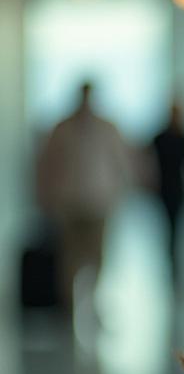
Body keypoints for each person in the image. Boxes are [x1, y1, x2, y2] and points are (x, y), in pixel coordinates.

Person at [35, 80, 136, 315]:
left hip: (98, 202)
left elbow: (121, 163)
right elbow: (47, 165)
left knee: (97, 256)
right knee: (69, 257)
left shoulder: (107, 128)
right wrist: (45, 196)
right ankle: (69, 306)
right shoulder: (62, 129)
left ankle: (92, 301)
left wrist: (121, 193)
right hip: (69, 202)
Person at [149, 99, 184, 290]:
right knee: (171, 230)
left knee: (174, 230)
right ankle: (171, 267)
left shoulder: (178, 137)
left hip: (177, 192)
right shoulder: (163, 137)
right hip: (165, 192)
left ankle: (173, 267)